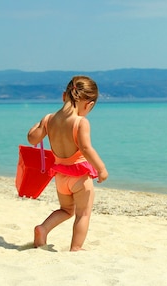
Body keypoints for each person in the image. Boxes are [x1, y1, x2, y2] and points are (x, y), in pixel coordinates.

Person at [26, 75, 108, 251]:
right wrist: (101, 169)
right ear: (89, 104)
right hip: (79, 177)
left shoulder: (49, 119)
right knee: (83, 214)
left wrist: (38, 124)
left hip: (61, 177)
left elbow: (32, 139)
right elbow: (86, 149)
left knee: (65, 210)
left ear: (64, 96)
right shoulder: (80, 122)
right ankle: (76, 248)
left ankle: (43, 228)